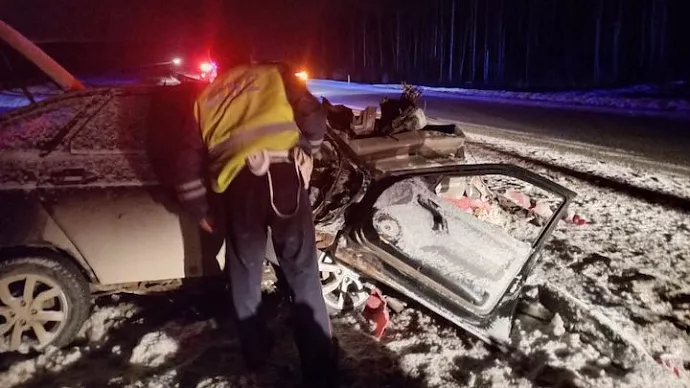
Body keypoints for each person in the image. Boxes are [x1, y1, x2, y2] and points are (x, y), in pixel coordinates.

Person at [171, 57, 338, 387]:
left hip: (238, 189)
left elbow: (185, 163)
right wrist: (310, 149)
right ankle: (321, 369)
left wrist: (201, 210)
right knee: (303, 274)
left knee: (245, 276)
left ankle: (257, 358)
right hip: (285, 177)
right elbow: (313, 116)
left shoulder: (205, 96)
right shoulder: (276, 75)